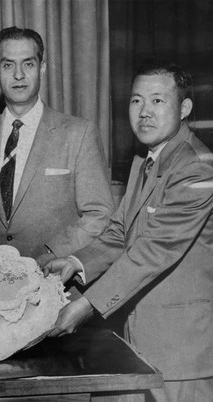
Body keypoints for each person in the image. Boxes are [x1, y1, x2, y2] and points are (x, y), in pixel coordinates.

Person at [39, 58, 213, 402]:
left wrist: (86, 305)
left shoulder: (196, 167)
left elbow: (154, 249)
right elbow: (121, 231)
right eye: (136, 100)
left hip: (182, 352)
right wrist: (77, 260)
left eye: (158, 100)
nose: (144, 111)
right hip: (136, 341)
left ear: (184, 108)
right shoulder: (145, 160)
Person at [0, 26, 114, 265]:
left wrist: (52, 253)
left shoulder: (78, 133)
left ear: (42, 67)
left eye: (28, 64)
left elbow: (99, 214)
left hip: (56, 283)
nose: (18, 75)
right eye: (8, 65)